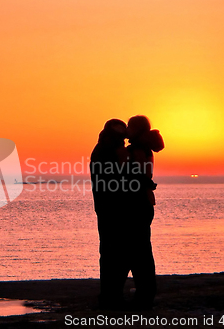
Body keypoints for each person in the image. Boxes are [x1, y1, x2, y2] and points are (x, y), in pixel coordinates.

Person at [90, 119, 131, 309]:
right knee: (115, 252)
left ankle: (110, 294)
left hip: (105, 205)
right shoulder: (109, 151)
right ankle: (111, 296)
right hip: (113, 206)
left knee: (110, 251)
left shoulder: (100, 149)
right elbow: (118, 177)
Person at [125, 115, 164, 309]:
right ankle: (144, 291)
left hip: (137, 203)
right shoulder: (145, 149)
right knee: (141, 250)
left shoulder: (136, 150)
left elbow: (138, 176)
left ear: (137, 130)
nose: (126, 130)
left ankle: (144, 293)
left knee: (139, 252)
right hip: (144, 202)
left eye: (129, 127)